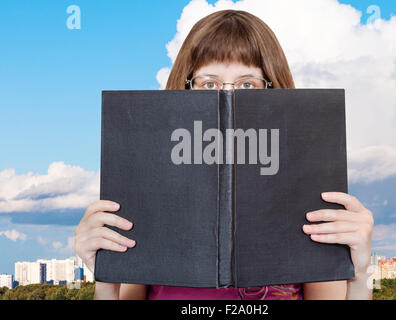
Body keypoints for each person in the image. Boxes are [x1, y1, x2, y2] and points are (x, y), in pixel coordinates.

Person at [75, 9, 374, 300]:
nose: (227, 96)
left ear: (274, 90)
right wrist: (105, 278)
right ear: (184, 88)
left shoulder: (308, 190)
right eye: (209, 84)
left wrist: (359, 274)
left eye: (247, 84)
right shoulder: (148, 191)